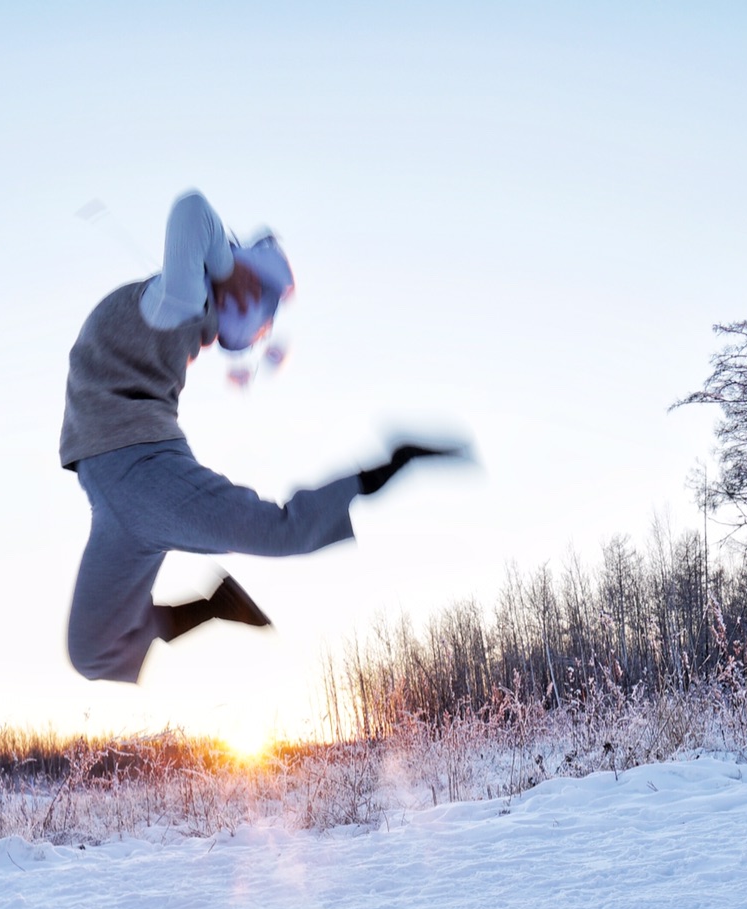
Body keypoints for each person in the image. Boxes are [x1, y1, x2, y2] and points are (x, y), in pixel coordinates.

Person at [60, 189, 460, 683]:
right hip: (113, 492)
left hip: (144, 476)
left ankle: (393, 463)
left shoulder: (182, 309)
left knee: (283, 531)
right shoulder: (179, 298)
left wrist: (224, 271)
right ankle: (216, 605)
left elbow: (192, 219)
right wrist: (227, 267)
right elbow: (190, 210)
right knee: (90, 652)